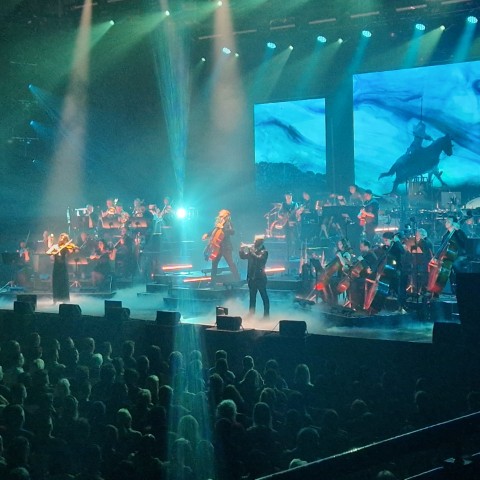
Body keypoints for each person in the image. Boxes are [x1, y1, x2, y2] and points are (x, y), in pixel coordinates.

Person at [202, 209, 240, 287]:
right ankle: (212, 282)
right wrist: (207, 234)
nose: (220, 216)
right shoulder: (219, 223)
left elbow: (232, 232)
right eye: (220, 215)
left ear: (226, 215)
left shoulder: (228, 223)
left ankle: (238, 280)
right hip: (218, 247)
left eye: (222, 215)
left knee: (231, 264)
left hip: (226, 247)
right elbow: (214, 231)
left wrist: (222, 228)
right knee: (214, 264)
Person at [239, 237, 270, 318]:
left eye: (255, 241)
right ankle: (251, 314)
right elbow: (243, 257)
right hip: (252, 278)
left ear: (260, 242)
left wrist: (251, 251)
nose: (253, 242)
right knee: (252, 298)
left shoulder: (264, 252)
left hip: (260, 278)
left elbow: (259, 259)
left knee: (264, 297)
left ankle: (266, 315)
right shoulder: (253, 251)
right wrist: (241, 250)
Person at [46, 233, 77, 303]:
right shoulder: (55, 246)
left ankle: (65, 300)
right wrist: (53, 252)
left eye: (64, 239)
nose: (62, 239)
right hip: (56, 267)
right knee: (56, 283)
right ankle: (55, 300)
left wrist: (72, 248)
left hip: (63, 267)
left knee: (64, 283)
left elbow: (71, 251)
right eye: (61, 238)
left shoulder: (66, 247)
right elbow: (48, 252)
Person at [278, 192, 299, 259]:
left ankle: (295, 254)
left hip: (293, 223)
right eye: (287, 196)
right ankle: (288, 254)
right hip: (286, 224)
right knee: (288, 240)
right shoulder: (283, 204)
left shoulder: (295, 204)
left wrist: (298, 214)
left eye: (290, 196)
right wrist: (283, 217)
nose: (288, 197)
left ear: (291, 196)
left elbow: (297, 214)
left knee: (295, 239)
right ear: (285, 197)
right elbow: (279, 214)